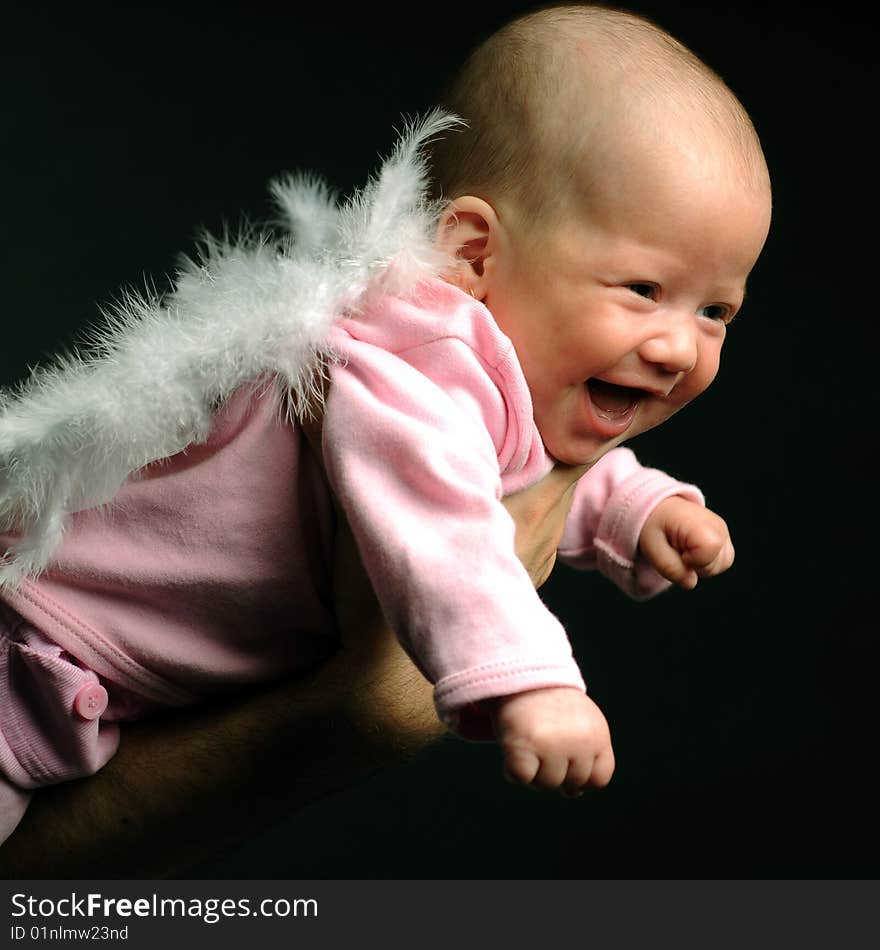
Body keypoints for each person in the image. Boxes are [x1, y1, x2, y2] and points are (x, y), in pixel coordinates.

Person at [0, 3, 771, 849]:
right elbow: (443, 527)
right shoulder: (410, 364)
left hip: (83, 683)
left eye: (717, 311)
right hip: (29, 658)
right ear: (475, 254)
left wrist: (634, 511)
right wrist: (534, 682)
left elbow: (502, 464)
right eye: (644, 290)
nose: (677, 347)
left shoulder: (473, 381)